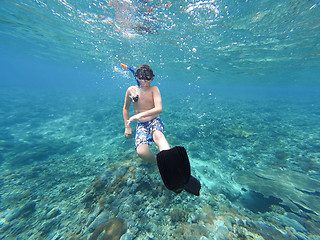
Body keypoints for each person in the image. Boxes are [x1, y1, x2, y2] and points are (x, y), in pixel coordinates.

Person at [123, 65, 170, 163]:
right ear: (136, 77)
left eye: (147, 79)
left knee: (158, 137)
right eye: (141, 78)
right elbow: (125, 108)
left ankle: (169, 161)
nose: (144, 81)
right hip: (141, 125)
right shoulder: (130, 90)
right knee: (141, 152)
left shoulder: (154, 89)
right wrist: (127, 127)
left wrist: (139, 115)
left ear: (152, 78)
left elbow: (159, 109)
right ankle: (158, 163)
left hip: (154, 120)